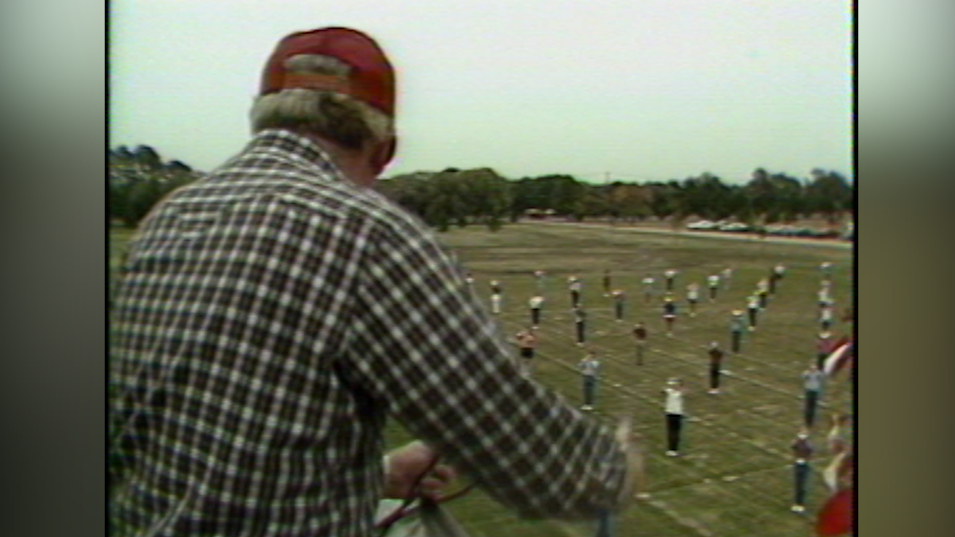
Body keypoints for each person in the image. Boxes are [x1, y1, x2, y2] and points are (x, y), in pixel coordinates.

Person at [108, 27, 642, 536]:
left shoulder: (169, 216)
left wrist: (379, 476)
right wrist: (614, 466)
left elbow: (200, 452)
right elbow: (539, 464)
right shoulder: (364, 231)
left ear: (263, 120)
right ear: (382, 151)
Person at [790, 428, 814, 513]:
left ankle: (800, 504)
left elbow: (810, 453)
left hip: (804, 465)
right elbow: (793, 447)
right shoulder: (797, 443)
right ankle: (796, 503)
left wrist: (805, 459)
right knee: (797, 485)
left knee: (802, 486)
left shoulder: (808, 445)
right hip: (798, 464)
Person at [662, 378, 686, 456]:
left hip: (669, 414)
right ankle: (673, 450)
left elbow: (663, 390)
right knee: (676, 433)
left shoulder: (670, 392)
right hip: (676, 415)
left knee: (671, 432)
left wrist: (671, 384)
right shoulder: (677, 394)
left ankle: (670, 450)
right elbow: (683, 390)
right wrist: (680, 384)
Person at [802, 361, 826, 428]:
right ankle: (808, 421)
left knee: (813, 407)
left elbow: (822, 378)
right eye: (812, 368)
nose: (813, 369)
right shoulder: (807, 373)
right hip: (809, 391)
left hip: (814, 391)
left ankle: (811, 421)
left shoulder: (818, 374)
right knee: (808, 407)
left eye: (814, 368)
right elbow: (803, 377)